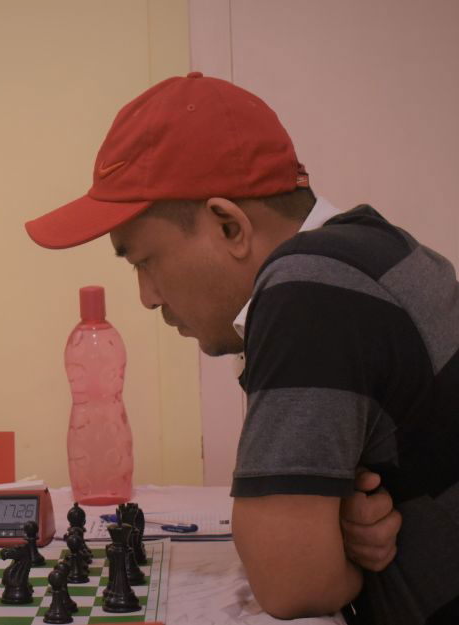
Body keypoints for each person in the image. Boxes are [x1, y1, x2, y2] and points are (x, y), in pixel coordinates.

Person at [24, 72, 458, 624]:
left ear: (229, 226)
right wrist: (329, 527)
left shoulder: (308, 287)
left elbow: (290, 583)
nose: (148, 297)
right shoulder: (373, 247)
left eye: (144, 261)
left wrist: (334, 556)